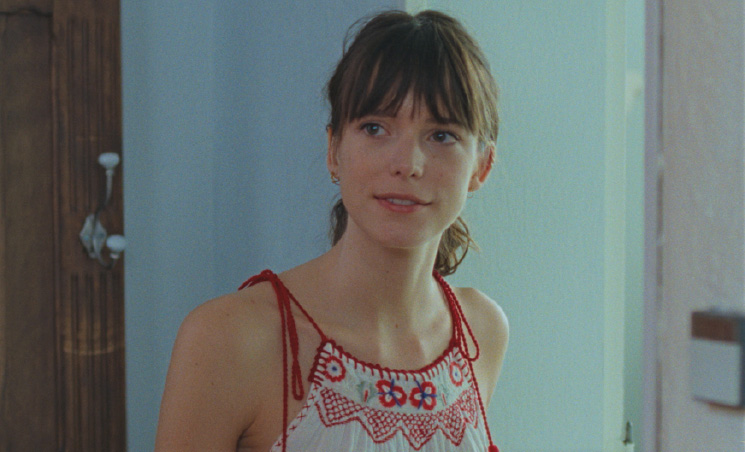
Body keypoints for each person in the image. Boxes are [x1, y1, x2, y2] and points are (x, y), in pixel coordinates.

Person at [154, 9, 508, 452]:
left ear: (481, 166)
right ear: (333, 149)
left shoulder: (481, 331)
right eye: (375, 128)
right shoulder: (231, 339)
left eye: (441, 135)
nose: (407, 164)